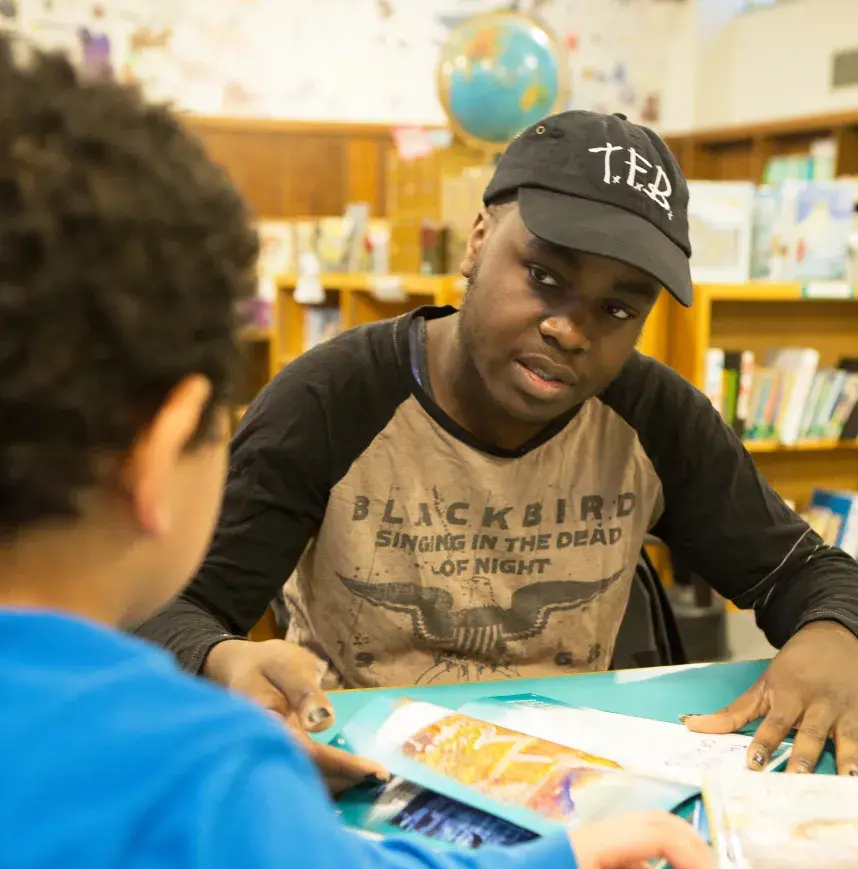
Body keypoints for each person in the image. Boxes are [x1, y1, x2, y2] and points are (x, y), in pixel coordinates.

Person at [0, 36, 803, 869]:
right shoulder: (189, 796)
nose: (571, 324)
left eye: (618, 306)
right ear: (159, 455)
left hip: (506, 842)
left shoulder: (150, 807)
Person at [140, 109, 858, 787]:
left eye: (617, 308)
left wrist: (834, 631)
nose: (571, 331)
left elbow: (808, 571)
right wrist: (221, 659)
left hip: (577, 787)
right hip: (359, 775)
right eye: (545, 277)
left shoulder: (655, 416)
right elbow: (170, 608)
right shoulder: (328, 401)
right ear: (479, 239)